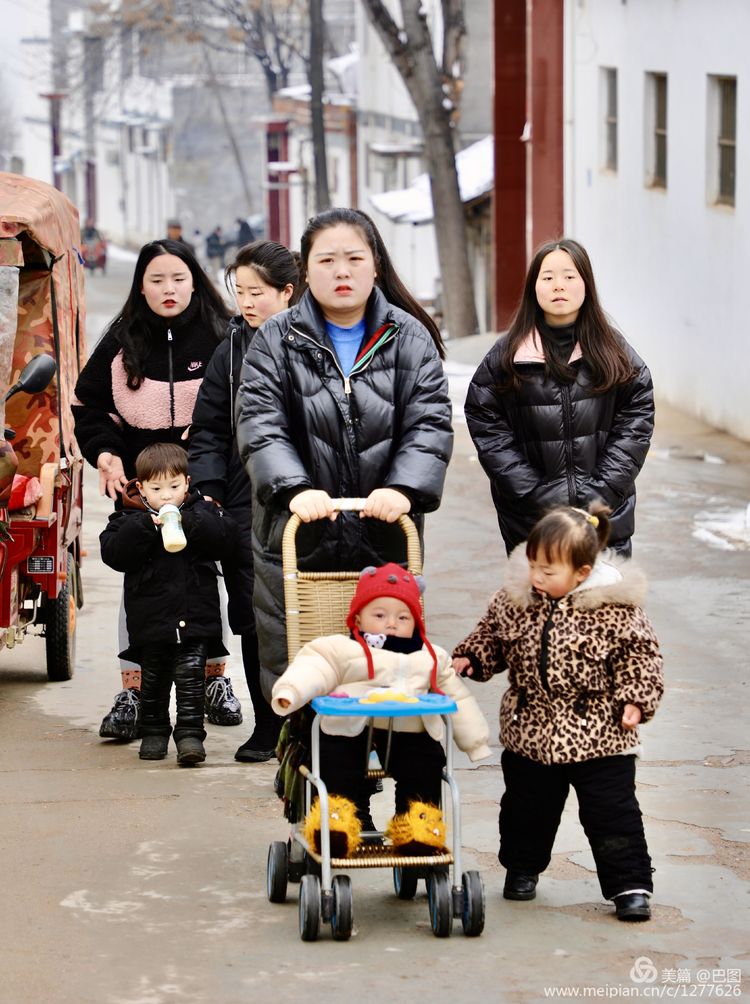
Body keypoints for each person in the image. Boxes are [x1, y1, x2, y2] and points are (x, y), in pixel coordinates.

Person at [234, 206, 454, 707]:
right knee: (301, 677)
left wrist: (403, 489)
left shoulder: (409, 337)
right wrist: (294, 489)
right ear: (305, 270)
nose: (341, 271)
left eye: (354, 258)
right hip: (297, 535)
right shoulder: (275, 339)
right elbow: (259, 424)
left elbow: (429, 423)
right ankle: (306, 755)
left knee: (387, 677)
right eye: (327, 260)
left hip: (385, 535)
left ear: (375, 265)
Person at [452, 502, 664, 921]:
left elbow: (641, 657)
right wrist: (472, 657)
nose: (536, 577)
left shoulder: (615, 610)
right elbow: (491, 635)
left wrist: (636, 700)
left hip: (601, 734)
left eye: (548, 572)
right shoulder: (514, 601)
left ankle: (630, 885)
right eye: (533, 565)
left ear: (582, 572)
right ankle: (522, 869)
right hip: (531, 730)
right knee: (525, 809)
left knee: (612, 813)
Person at [72, 238, 241, 740]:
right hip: (139, 489)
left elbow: (249, 403)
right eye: (157, 279)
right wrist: (106, 454)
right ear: (140, 286)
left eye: (179, 278)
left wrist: (213, 442)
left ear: (195, 283)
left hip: (202, 482)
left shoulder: (222, 335)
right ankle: (135, 689)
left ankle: (213, 679)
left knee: (208, 578)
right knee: (139, 583)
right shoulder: (121, 339)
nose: (169, 289)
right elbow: (89, 408)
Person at [465, 238, 654, 558]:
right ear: (533, 287)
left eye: (569, 276)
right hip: (533, 519)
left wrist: (603, 489)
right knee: (540, 589)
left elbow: (638, 412)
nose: (558, 286)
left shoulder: (612, 349)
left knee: (603, 590)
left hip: (602, 517)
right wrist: (532, 491)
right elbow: (484, 416)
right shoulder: (509, 353)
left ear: (586, 284)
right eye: (548, 277)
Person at [271, 563, 491, 831]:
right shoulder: (343, 649)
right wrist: (290, 692)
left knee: (427, 760)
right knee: (336, 759)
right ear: (358, 620)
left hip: (408, 729)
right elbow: (314, 667)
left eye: (403, 617)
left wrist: (475, 741)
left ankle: (416, 824)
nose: (391, 623)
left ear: (416, 623)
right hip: (351, 727)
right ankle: (337, 822)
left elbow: (457, 696)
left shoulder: (430, 657)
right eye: (379, 615)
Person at [189, 240, 299, 763]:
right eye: (240, 292)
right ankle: (268, 723)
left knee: (309, 612)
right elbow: (208, 427)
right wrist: (209, 487)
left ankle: (317, 724)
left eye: (258, 292)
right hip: (242, 501)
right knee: (256, 616)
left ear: (288, 292)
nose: (247, 302)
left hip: (307, 497)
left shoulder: (311, 342)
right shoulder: (230, 349)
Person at [100, 444, 236, 766]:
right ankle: (154, 733)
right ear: (141, 487)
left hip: (196, 620)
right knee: (154, 681)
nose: (166, 496)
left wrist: (189, 521)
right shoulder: (129, 517)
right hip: (151, 623)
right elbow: (113, 552)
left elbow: (226, 538)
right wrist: (145, 527)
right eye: (156, 489)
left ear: (187, 483)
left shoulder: (202, 512)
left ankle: (190, 736)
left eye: (174, 487)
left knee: (191, 680)